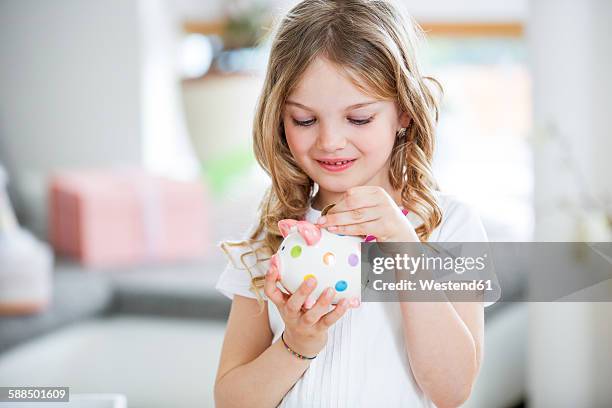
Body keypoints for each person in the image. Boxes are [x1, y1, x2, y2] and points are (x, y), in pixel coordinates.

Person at [214, 1, 495, 406]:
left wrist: (402, 244)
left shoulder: (450, 226)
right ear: (279, 119)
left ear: (404, 112)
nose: (330, 141)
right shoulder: (272, 233)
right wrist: (297, 344)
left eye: (359, 118)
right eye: (304, 120)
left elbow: (451, 390)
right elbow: (230, 400)